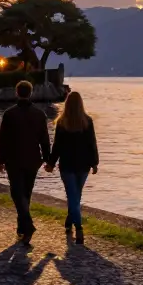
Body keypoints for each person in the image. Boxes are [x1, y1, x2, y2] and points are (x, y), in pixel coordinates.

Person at [0, 80, 50, 246]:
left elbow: (3, 139)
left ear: (17, 92)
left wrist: (0, 159)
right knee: (26, 193)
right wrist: (47, 159)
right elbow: (44, 140)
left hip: (14, 159)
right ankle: (23, 228)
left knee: (17, 193)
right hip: (33, 159)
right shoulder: (40, 114)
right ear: (31, 93)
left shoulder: (9, 114)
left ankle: (27, 226)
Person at [46, 92, 99, 245]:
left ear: (67, 104)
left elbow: (57, 146)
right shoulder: (87, 121)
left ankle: (76, 226)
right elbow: (92, 144)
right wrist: (94, 163)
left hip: (67, 164)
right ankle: (72, 224)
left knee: (73, 197)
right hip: (83, 165)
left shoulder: (62, 122)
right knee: (75, 196)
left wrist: (50, 163)